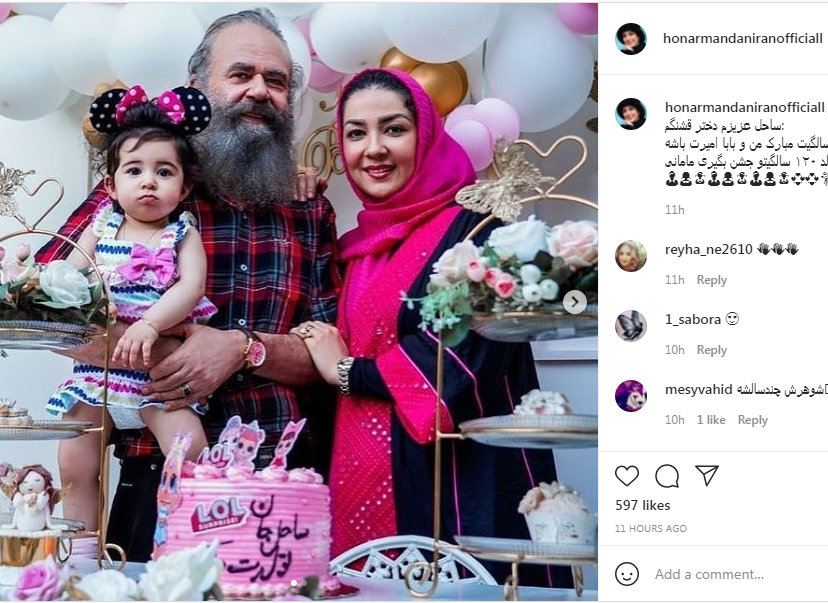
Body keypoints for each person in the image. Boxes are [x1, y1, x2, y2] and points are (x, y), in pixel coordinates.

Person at [35, 8, 338, 561]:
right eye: (241, 74)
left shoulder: (308, 207)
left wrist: (241, 348)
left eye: (276, 81)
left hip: (276, 478)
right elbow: (44, 312)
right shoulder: (139, 188)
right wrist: (167, 352)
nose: (259, 91)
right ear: (197, 86)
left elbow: (328, 353)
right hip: (154, 472)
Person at [290, 68, 568, 587]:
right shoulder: (353, 249)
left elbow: (462, 357)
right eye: (356, 133)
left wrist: (348, 371)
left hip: (450, 485)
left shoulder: (478, 235)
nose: (373, 149)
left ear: (426, 136)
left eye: (394, 129)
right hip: (355, 475)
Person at [46, 90, 218, 531]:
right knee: (74, 461)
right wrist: (76, 292)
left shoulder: (181, 233)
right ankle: (81, 551)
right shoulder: (100, 226)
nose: (149, 182)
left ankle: (183, 541)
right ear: (111, 185)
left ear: (184, 187)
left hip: (157, 380)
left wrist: (150, 323)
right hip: (96, 375)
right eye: (135, 170)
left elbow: (192, 286)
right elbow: (69, 272)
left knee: (190, 450)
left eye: (164, 172)